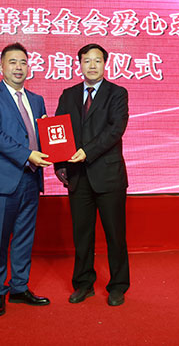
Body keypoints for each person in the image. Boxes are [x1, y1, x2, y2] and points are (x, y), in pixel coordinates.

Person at [0, 42, 52, 317]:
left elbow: (43, 136)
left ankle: (19, 287)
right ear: (1, 66)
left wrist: (55, 141)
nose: (18, 67)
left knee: (24, 236)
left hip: (31, 178)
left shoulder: (37, 100)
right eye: (12, 62)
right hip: (3, 179)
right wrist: (27, 154)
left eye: (23, 62)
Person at [54, 43, 130, 306]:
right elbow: (59, 132)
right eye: (87, 61)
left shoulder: (117, 93)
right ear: (80, 65)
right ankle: (83, 283)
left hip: (108, 176)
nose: (92, 65)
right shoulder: (68, 95)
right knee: (82, 235)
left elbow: (115, 129)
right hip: (78, 177)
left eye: (97, 60)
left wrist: (87, 151)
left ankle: (118, 286)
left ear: (105, 64)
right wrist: (59, 165)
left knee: (115, 235)